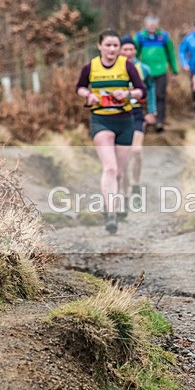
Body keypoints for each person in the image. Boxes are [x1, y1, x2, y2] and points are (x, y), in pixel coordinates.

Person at [75, 29, 146, 235]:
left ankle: (116, 202)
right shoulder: (91, 67)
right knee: (110, 169)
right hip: (101, 121)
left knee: (120, 173)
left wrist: (127, 94)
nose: (112, 49)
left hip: (124, 121)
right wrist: (88, 95)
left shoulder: (127, 66)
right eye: (108, 45)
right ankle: (110, 213)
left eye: (115, 45)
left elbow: (141, 90)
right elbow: (79, 87)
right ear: (100, 46)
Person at [119, 35, 157, 209]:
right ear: (120, 51)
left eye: (131, 49)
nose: (128, 52)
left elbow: (151, 89)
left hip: (137, 113)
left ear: (135, 50)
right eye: (125, 49)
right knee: (124, 157)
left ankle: (136, 184)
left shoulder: (144, 69)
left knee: (136, 151)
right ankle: (126, 192)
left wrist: (152, 111)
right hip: (119, 114)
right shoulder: (115, 68)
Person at [134, 15, 178, 132]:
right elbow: (134, 54)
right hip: (145, 73)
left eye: (154, 25)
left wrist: (174, 70)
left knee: (160, 95)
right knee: (144, 96)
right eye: (149, 25)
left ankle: (160, 121)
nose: (152, 27)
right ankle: (145, 120)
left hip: (161, 71)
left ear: (157, 25)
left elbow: (171, 54)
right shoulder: (140, 37)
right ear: (145, 25)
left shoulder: (163, 37)